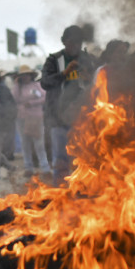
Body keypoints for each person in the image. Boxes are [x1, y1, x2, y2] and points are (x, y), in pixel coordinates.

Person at [40, 26, 98, 184]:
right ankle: (60, 196)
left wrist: (89, 77)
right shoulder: (54, 60)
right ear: (65, 42)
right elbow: (45, 82)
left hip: (83, 118)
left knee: (85, 159)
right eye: (71, 42)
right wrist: (64, 73)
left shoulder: (89, 59)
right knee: (61, 160)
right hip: (58, 118)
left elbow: (98, 84)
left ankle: (82, 193)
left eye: (78, 42)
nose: (75, 46)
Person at [12, 65, 49, 177]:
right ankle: (28, 167)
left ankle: (45, 168)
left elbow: (44, 98)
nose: (25, 77)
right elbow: (14, 98)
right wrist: (17, 84)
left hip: (36, 117)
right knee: (25, 143)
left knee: (39, 143)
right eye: (23, 75)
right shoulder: (19, 87)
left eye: (27, 74)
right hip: (22, 118)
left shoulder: (37, 85)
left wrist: (32, 103)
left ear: (31, 75)